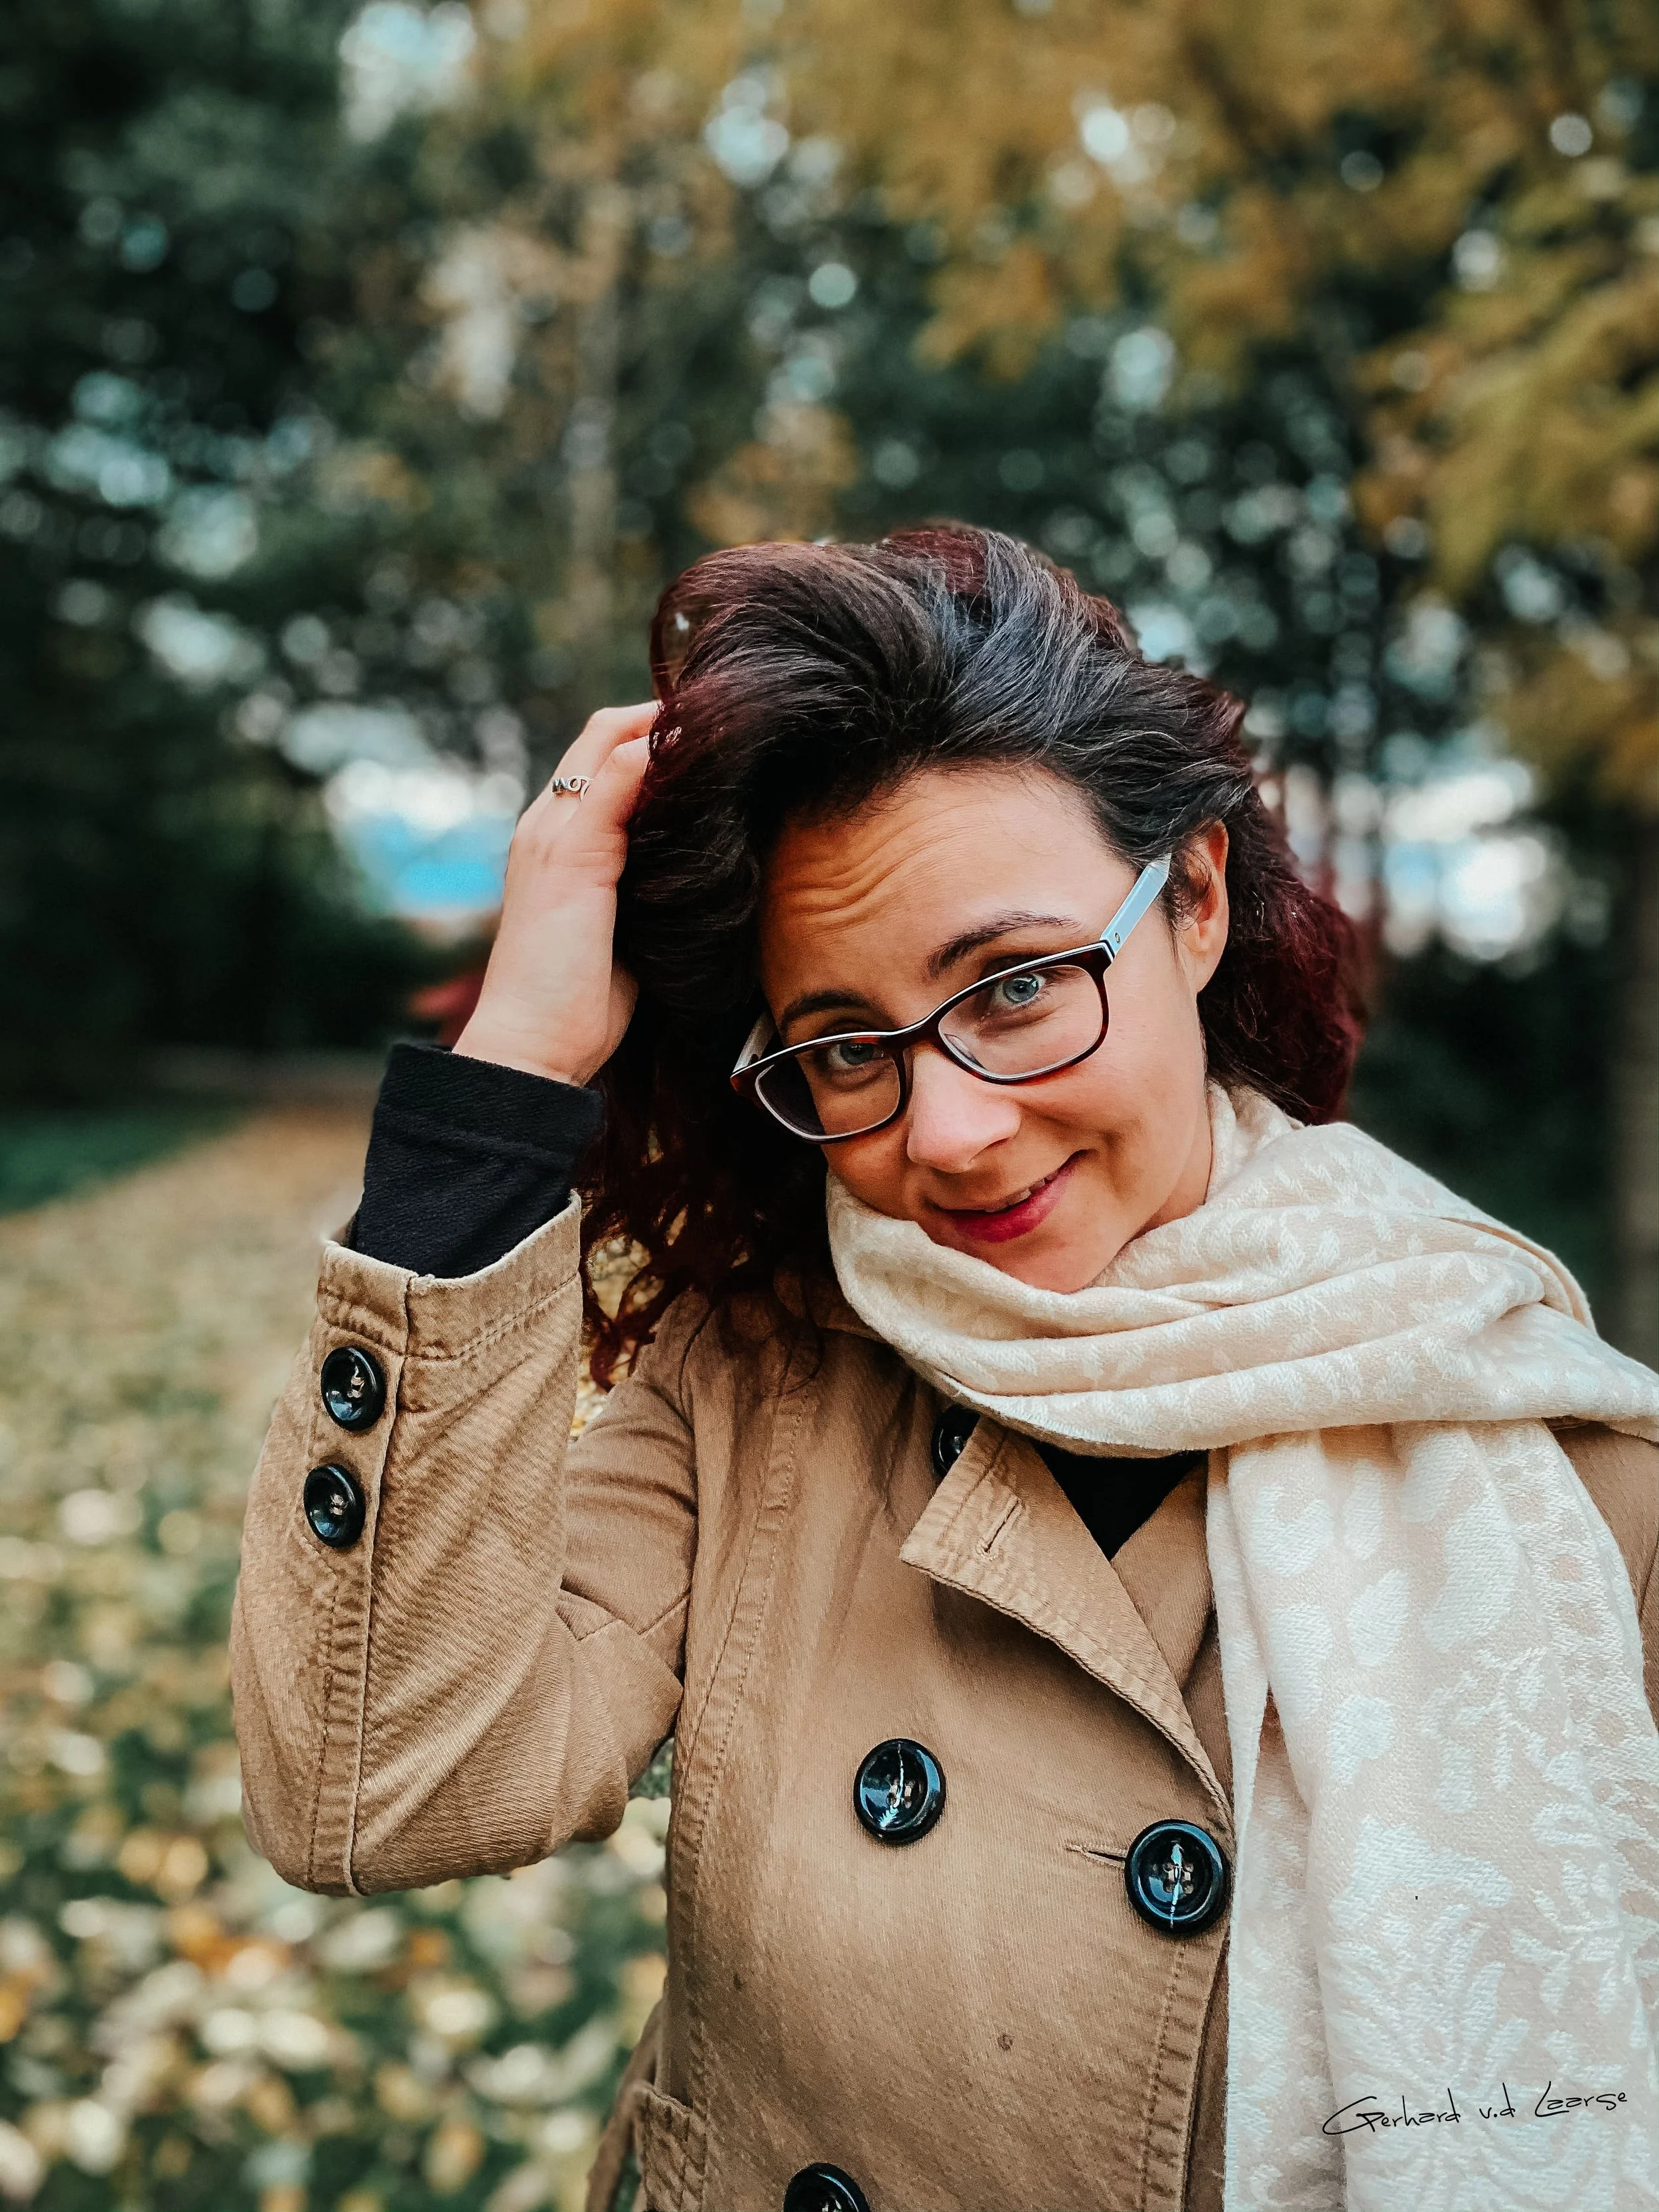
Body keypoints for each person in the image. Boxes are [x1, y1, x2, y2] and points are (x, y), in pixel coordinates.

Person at [232, 526, 1659, 2212]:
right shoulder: (757, 1377)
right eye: (845, 1048)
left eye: (1020, 985)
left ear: (1191, 900)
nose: (954, 1131)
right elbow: (378, 1788)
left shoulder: (1568, 1479)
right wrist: (515, 1070)